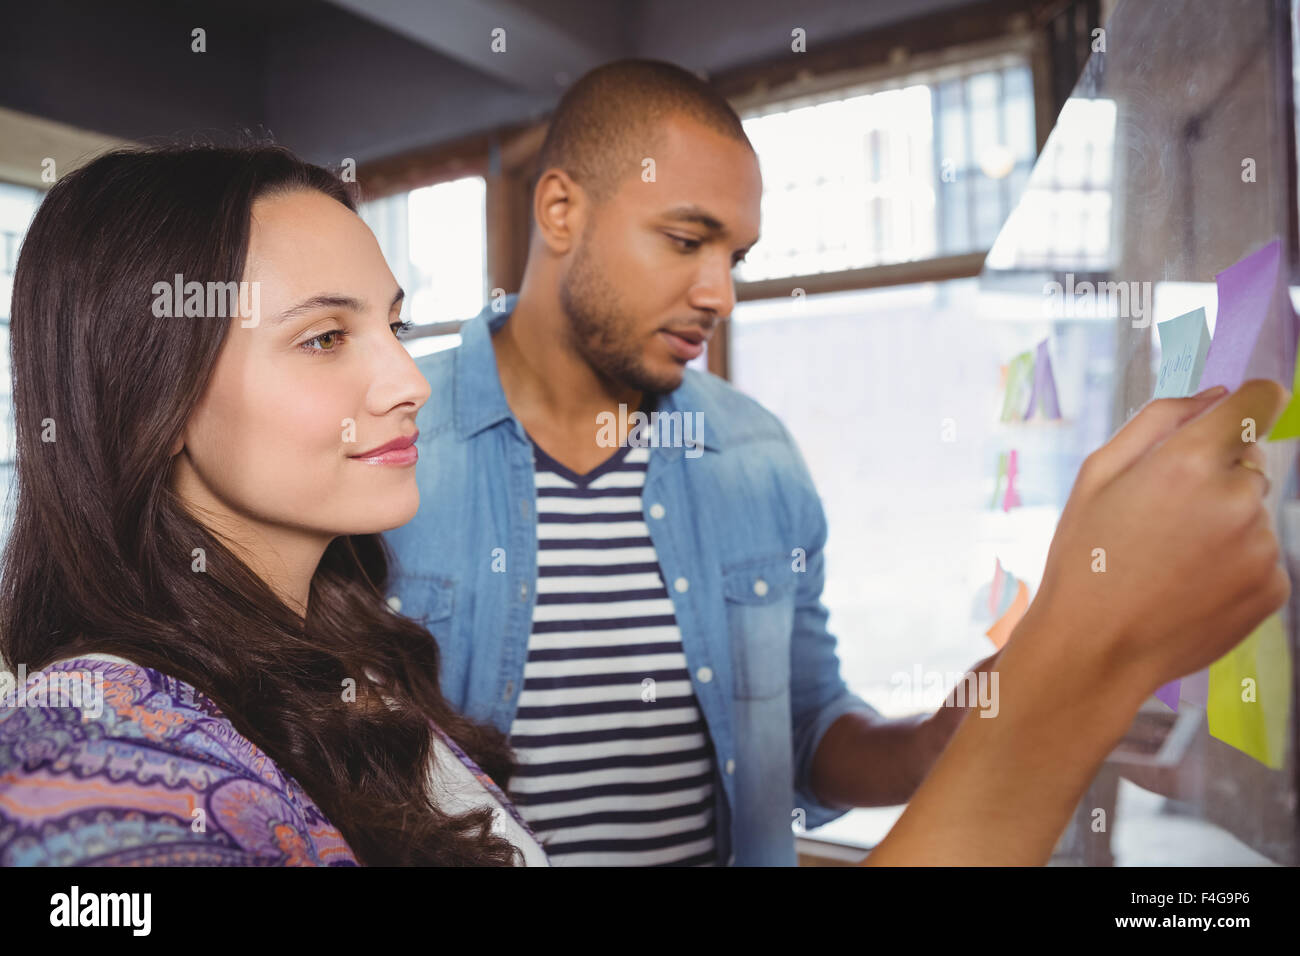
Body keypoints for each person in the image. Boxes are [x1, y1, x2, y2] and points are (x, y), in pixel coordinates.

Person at [380, 57, 1290, 865]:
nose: (719, 293)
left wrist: (933, 742)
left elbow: (812, 734)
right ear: (561, 210)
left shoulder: (757, 455)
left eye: (736, 255)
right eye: (687, 239)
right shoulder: (389, 442)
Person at [0, 145, 547, 866]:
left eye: (396, 327)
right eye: (325, 338)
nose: (410, 382)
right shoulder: (93, 744)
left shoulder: (352, 648)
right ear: (151, 402)